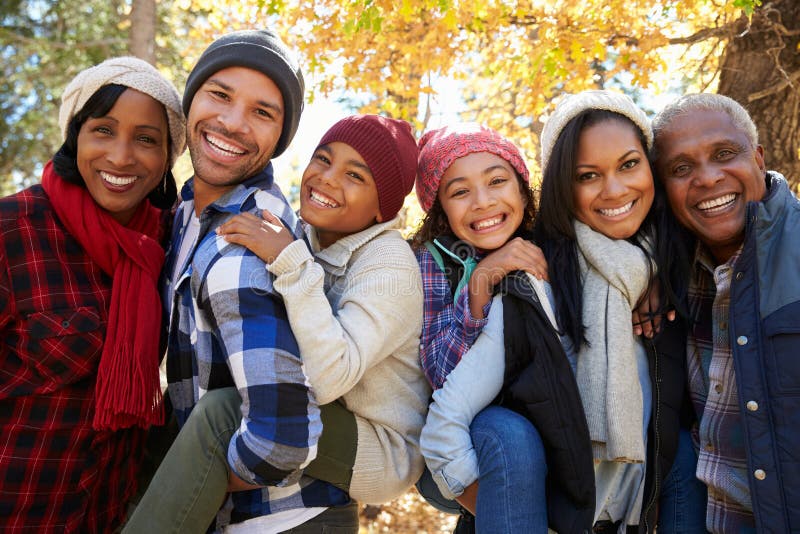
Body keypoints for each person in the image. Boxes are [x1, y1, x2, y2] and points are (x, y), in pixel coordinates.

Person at [129, 114, 431, 532]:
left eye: (354, 176)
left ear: (384, 208)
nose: (326, 178)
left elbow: (327, 378)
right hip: (328, 419)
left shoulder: (389, 264)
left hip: (378, 446)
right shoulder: (307, 235)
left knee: (224, 413)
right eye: (323, 159)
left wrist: (291, 263)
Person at [418, 91, 695, 534]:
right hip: (529, 491)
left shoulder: (678, 263)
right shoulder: (529, 283)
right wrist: (505, 507)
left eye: (628, 164)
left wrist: (650, 278)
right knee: (509, 434)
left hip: (631, 513)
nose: (614, 189)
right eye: (588, 175)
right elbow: (443, 415)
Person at [123, 29, 360, 533]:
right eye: (221, 95)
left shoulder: (243, 244)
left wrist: (191, 484)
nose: (233, 123)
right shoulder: (187, 213)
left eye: (262, 112)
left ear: (280, 137)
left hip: (282, 521)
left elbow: (283, 440)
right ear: (190, 103)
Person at [0, 57, 186, 532]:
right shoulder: (12, 229)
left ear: (168, 156)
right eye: (103, 130)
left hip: (107, 515)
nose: (122, 157)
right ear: (75, 137)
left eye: (146, 139)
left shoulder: (170, 245)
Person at [652, 93, 800, 533]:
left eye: (724, 154)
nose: (707, 177)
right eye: (681, 169)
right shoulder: (672, 274)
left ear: (757, 157)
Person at [411, 123, 552, 533]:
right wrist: (481, 282)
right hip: (467, 441)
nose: (482, 202)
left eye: (496, 181)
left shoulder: (549, 248)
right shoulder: (432, 262)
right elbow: (439, 372)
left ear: (523, 190)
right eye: (459, 192)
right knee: (507, 433)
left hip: (550, 434)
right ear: (440, 209)